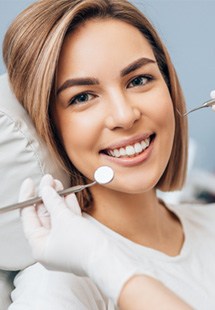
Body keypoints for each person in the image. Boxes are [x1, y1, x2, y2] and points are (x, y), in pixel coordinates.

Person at [3, 0, 215, 309]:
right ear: (49, 125)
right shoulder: (57, 286)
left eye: (139, 80)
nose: (124, 115)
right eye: (82, 97)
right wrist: (99, 260)